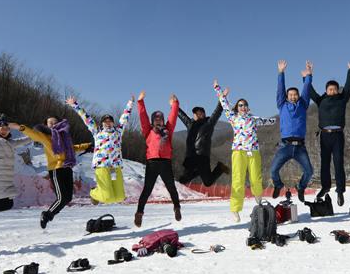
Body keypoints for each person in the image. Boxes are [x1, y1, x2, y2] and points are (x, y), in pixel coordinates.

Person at [214, 79, 276, 222]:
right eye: (240, 105)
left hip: (253, 151)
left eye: (245, 105)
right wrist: (218, 89)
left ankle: (258, 196)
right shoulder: (233, 117)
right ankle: (235, 209)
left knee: (256, 177)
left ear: (248, 107)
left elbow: (269, 121)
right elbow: (224, 105)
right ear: (237, 107)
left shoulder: (254, 119)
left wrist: (281, 120)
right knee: (238, 179)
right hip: (238, 152)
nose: (243, 107)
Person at [18, 116, 92, 229]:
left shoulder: (64, 136)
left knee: (68, 198)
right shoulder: (45, 136)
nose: (52, 124)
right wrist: (22, 128)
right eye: (50, 122)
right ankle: (47, 215)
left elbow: (71, 149)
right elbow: (34, 134)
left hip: (67, 167)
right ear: (46, 125)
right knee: (62, 197)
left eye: (55, 122)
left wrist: (87, 145)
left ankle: (49, 214)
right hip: (56, 169)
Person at [66, 95, 134, 204]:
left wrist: (130, 103)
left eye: (110, 121)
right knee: (107, 197)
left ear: (113, 123)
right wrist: (75, 105)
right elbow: (86, 118)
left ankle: (99, 193)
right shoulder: (97, 131)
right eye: (105, 121)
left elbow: (124, 118)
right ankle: (94, 193)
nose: (108, 123)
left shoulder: (118, 132)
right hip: (101, 166)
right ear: (102, 123)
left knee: (120, 197)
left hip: (115, 167)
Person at [308, 60, 350, 206]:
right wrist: (308, 75)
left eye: (335, 89)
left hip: (338, 135)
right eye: (330, 89)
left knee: (338, 162)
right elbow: (310, 91)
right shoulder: (321, 100)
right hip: (324, 135)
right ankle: (325, 186)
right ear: (326, 90)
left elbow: (348, 86)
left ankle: (340, 191)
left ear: (337, 90)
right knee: (325, 163)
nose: (332, 91)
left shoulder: (342, 99)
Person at [134, 91, 182, 228]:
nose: (159, 120)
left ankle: (177, 208)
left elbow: (173, 117)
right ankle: (139, 213)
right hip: (152, 163)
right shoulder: (147, 131)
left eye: (160, 118)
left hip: (166, 163)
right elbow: (143, 116)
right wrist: (140, 102)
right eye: (156, 119)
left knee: (171, 187)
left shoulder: (168, 130)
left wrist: (175, 104)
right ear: (152, 120)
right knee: (147, 190)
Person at [271, 60, 314, 202]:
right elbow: (279, 89)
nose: (293, 96)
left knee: (309, 171)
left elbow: (306, 90)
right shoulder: (282, 105)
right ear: (287, 96)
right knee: (273, 170)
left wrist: (308, 76)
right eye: (290, 94)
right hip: (285, 146)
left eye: (295, 94)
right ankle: (278, 185)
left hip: (300, 146)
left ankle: (301, 187)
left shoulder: (303, 105)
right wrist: (281, 72)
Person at [177, 101, 230, 186]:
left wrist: (221, 100)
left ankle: (220, 168)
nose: (198, 115)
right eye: (196, 113)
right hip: (191, 157)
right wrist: (174, 105)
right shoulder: (190, 124)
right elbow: (182, 116)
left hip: (203, 157)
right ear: (194, 115)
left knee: (208, 182)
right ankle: (198, 171)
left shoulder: (208, 123)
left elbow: (217, 113)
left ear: (204, 114)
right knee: (183, 180)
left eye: (200, 113)